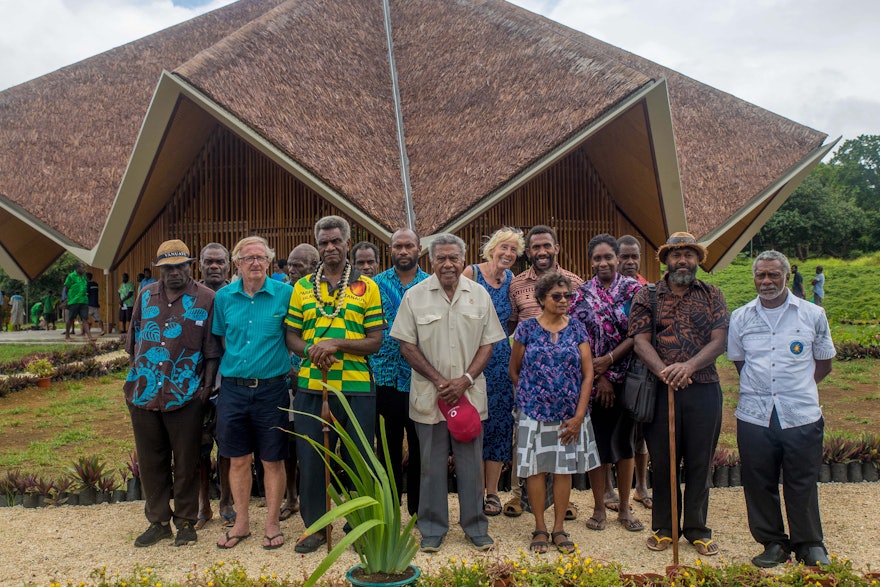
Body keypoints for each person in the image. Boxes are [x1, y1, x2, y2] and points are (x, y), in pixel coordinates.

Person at [391, 233, 505, 553]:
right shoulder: (415, 296)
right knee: (429, 465)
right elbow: (406, 345)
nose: (447, 264)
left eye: (453, 257)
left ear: (463, 260)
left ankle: (475, 526)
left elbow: (489, 343)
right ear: (431, 262)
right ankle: (432, 528)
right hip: (430, 396)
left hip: (468, 396)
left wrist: (465, 380)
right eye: (440, 258)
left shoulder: (479, 295)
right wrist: (441, 381)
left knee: (470, 464)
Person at [728, 250, 835, 568]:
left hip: (800, 412)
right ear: (754, 278)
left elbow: (824, 362)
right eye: (760, 275)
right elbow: (740, 362)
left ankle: (809, 544)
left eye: (773, 274)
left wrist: (797, 388)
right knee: (758, 480)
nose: (766, 281)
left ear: (786, 276)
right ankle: (773, 542)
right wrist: (764, 391)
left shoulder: (812, 314)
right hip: (755, 414)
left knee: (802, 479)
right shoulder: (741, 317)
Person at [284, 216, 385, 554]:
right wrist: (312, 352)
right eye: (324, 242)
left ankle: (358, 525)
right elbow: (292, 336)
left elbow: (375, 341)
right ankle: (315, 527)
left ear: (347, 243)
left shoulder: (366, 286)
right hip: (313, 385)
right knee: (312, 457)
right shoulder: (302, 289)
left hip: (356, 388)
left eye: (335, 241)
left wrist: (337, 345)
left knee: (358, 458)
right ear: (318, 246)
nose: (330, 248)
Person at [629, 231, 729, 556]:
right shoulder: (648, 295)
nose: (682, 260)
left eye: (689, 254)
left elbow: (719, 340)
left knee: (701, 461)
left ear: (698, 259)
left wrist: (688, 367)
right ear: (666, 261)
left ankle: (697, 529)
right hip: (660, 390)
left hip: (703, 388)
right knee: (663, 461)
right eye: (676, 254)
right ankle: (665, 527)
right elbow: (640, 340)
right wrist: (664, 371)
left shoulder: (712, 294)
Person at [124, 239, 221, 547]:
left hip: (186, 394)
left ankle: (186, 522)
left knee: (187, 461)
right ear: (160, 269)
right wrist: (137, 377)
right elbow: (134, 340)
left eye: (180, 266)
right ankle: (158, 522)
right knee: (151, 462)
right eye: (168, 267)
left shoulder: (206, 298)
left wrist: (204, 390)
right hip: (144, 394)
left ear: (190, 266)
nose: (175, 272)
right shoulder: (145, 295)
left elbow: (211, 350)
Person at [213, 236, 294, 550]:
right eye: (249, 258)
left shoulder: (285, 294)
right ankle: (242, 522)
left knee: (273, 459)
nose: (256, 263)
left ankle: (272, 523)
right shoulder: (223, 298)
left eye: (261, 257)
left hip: (272, 390)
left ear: (269, 261)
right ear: (238, 264)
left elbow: (293, 337)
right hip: (233, 390)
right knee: (237, 459)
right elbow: (222, 341)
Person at [509, 272, 599, 554]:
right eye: (557, 296)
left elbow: (588, 374)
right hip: (533, 411)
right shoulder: (526, 330)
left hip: (569, 414)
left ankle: (559, 527)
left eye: (568, 296)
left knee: (563, 470)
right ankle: (539, 526)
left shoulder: (577, 329)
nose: (564, 301)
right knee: (535, 469)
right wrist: (529, 397)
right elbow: (514, 369)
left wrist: (579, 415)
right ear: (541, 299)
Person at [504, 225, 584, 520]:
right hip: (529, 376)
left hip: (565, 380)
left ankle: (564, 502)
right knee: (524, 439)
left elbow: (580, 331)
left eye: (546, 246)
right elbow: (512, 325)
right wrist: (523, 384)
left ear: (556, 248)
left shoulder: (576, 283)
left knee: (562, 440)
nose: (541, 252)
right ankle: (517, 492)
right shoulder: (516, 285)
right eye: (535, 247)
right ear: (529, 252)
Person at [569, 234, 644, 532]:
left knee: (625, 443)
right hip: (594, 381)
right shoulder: (581, 295)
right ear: (591, 262)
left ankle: (624, 509)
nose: (603, 263)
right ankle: (599, 508)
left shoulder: (635, 292)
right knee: (598, 445)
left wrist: (610, 362)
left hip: (628, 378)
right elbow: (578, 337)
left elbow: (639, 334)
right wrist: (599, 377)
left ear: (617, 257)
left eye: (608, 257)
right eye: (597, 258)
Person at [462, 227, 523, 517]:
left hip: (500, 359)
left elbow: (512, 320)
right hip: (472, 356)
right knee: (474, 422)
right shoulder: (471, 274)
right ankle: (472, 491)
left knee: (499, 424)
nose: (508, 254)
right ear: (492, 249)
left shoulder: (510, 280)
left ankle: (493, 493)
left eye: (513, 250)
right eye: (504, 248)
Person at [372, 228, 430, 516]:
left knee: (420, 447)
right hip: (384, 377)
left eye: (409, 246)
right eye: (398, 246)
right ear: (390, 249)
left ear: (419, 249)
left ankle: (418, 511)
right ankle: (390, 509)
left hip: (421, 378)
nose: (403, 251)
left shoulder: (431, 285)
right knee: (388, 445)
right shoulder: (374, 285)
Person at [194, 243, 234, 531]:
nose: (215, 266)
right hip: (195, 385)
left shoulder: (235, 295)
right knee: (198, 448)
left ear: (229, 265)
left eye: (220, 262)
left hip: (229, 382)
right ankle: (202, 505)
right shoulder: (192, 297)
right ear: (200, 266)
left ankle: (227, 502)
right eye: (209, 262)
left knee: (228, 447)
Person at [278, 243, 319, 522]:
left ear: (313, 267)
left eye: (299, 265)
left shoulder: (318, 294)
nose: (291, 269)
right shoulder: (281, 293)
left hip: (311, 379)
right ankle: (291, 497)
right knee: (287, 442)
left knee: (312, 443)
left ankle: (316, 499)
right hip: (283, 379)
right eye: (290, 264)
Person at [617, 235, 652, 510]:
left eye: (634, 256)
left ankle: (641, 486)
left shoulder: (648, 289)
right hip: (610, 369)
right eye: (624, 256)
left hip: (640, 370)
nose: (629, 261)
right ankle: (609, 490)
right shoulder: (605, 290)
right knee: (610, 431)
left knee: (640, 432)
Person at [64, 262, 93, 343]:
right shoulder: (71, 276)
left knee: (85, 319)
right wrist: (68, 299)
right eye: (82, 268)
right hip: (74, 301)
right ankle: (67, 336)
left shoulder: (84, 276)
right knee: (71, 318)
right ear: (77, 268)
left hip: (83, 300)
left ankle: (90, 337)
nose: (84, 269)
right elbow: (66, 288)